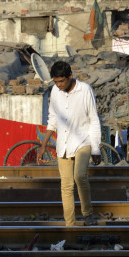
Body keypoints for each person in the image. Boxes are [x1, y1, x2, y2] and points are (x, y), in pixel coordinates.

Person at [38, 60, 102, 227]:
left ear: (70, 77)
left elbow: (94, 120)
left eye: (61, 81)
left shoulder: (85, 90)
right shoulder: (55, 91)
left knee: (79, 176)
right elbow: (52, 119)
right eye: (56, 82)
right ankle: (70, 224)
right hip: (63, 144)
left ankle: (88, 214)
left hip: (83, 141)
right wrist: (44, 144)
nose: (58, 85)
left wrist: (96, 149)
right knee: (66, 185)